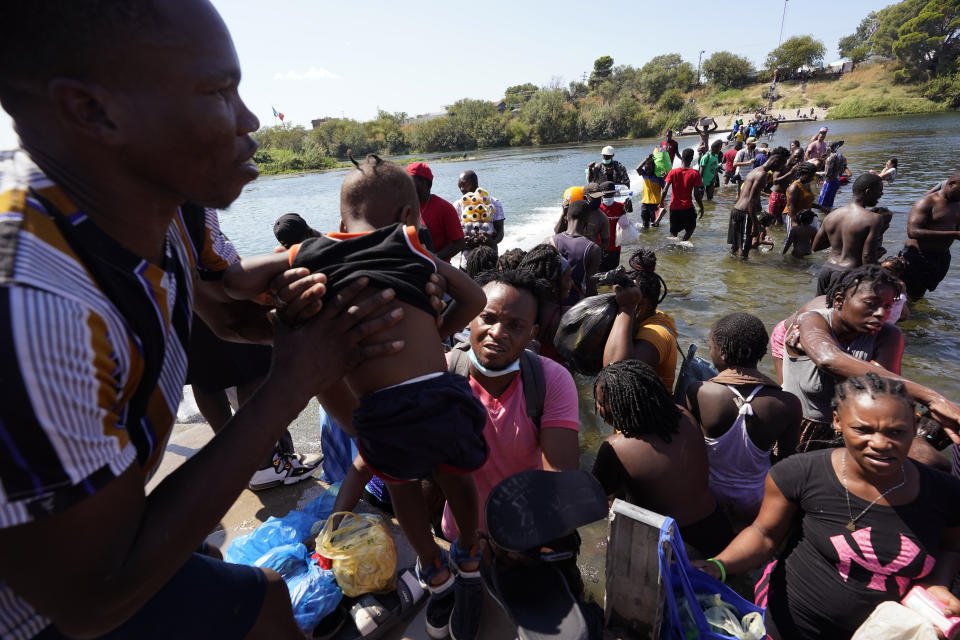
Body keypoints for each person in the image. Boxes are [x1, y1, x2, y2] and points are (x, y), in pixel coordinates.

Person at [0, 2, 433, 638]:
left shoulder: (171, 209)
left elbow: (228, 314)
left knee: (239, 583)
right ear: (91, 111)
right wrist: (290, 381)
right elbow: (91, 601)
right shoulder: (33, 304)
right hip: (38, 607)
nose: (251, 119)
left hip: (101, 537)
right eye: (219, 91)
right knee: (256, 602)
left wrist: (307, 321)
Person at [223, 154, 489, 640]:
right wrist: (437, 329)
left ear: (340, 218)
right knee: (458, 476)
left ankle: (434, 571)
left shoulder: (312, 254)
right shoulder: (410, 243)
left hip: (382, 413)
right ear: (411, 217)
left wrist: (289, 265)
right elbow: (475, 300)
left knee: (403, 488)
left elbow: (236, 279)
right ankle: (468, 554)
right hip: (441, 395)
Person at [698, 373, 960, 640]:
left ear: (913, 429)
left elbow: (951, 546)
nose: (881, 444)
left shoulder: (946, 493)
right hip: (792, 626)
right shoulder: (799, 473)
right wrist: (720, 565)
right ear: (837, 421)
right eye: (863, 429)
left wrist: (937, 584)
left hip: (892, 632)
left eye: (896, 432)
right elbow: (764, 535)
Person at [440, 269, 580, 540]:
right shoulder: (444, 373)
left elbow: (559, 481)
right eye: (488, 319)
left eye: (515, 326)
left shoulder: (551, 380)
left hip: (524, 536)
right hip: (460, 537)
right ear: (471, 320)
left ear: (532, 333)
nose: (497, 333)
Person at [782, 265, 960, 452]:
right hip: (796, 427)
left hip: (852, 431)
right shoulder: (811, 319)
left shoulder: (888, 335)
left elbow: (878, 392)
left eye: (887, 306)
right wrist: (933, 399)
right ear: (839, 300)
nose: (881, 314)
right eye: (871, 303)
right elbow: (828, 359)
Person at [592, 360, 734, 558]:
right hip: (720, 531)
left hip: (675, 548)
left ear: (620, 405)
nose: (598, 408)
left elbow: (596, 496)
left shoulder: (616, 447)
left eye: (600, 402)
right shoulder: (684, 415)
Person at [685, 314, 801, 529]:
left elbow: (688, 449)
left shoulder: (701, 392)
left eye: (710, 345)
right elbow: (786, 462)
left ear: (721, 351)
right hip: (756, 499)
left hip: (708, 495)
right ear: (763, 353)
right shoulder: (788, 403)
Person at [602, 249, 678, 390]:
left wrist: (626, 308)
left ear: (642, 303)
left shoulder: (655, 335)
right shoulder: (650, 316)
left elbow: (615, 379)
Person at [812, 173, 887, 295]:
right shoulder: (874, 219)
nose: (881, 195)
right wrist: (876, 281)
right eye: (879, 191)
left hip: (826, 270)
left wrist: (840, 241)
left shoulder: (833, 215)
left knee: (822, 311)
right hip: (849, 274)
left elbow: (815, 247)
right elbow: (867, 257)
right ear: (868, 191)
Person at [897, 169, 960, 300]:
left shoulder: (958, 204)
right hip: (917, 257)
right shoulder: (927, 202)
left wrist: (955, 233)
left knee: (919, 295)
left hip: (941, 257)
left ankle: (914, 317)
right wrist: (954, 234)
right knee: (903, 295)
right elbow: (913, 232)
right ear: (952, 183)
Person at [727, 146, 789, 259]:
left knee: (735, 246)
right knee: (744, 251)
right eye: (782, 164)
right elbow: (751, 199)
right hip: (746, 213)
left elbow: (746, 194)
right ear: (776, 161)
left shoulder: (756, 170)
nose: (781, 168)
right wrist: (755, 223)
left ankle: (731, 271)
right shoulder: (763, 174)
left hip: (737, 211)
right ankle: (743, 273)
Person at [517, 244, 572, 365]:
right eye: (567, 279)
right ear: (552, 285)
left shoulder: (519, 307)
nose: (571, 284)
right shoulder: (565, 316)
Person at [408, 161, 465, 262]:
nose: (406, 186)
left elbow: (459, 243)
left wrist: (433, 259)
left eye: (410, 182)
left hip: (438, 269)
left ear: (424, 184)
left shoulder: (445, 208)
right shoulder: (405, 207)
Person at [548, 200, 601, 306]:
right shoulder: (593, 249)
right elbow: (591, 286)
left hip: (552, 306)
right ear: (587, 221)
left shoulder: (549, 242)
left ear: (567, 217)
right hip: (577, 308)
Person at [455, 169, 505, 255]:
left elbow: (500, 232)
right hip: (467, 258)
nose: (461, 189)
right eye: (459, 186)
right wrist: (464, 243)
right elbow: (454, 235)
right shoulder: (458, 205)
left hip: (490, 256)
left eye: (464, 184)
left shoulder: (494, 203)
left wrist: (491, 241)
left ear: (475, 183)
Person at [662, 148, 704, 241]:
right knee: (691, 228)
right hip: (687, 207)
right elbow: (696, 194)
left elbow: (664, 190)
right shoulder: (695, 173)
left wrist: (661, 203)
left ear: (682, 158)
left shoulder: (672, 172)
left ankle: (673, 249)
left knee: (673, 232)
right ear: (692, 158)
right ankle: (683, 242)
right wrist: (701, 207)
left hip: (674, 207)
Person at [784, 161, 822, 233]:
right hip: (792, 216)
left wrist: (821, 208)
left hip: (805, 216)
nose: (812, 178)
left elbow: (806, 202)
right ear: (802, 174)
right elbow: (790, 206)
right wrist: (794, 222)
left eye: (813, 175)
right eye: (810, 176)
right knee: (792, 240)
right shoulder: (794, 187)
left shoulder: (807, 184)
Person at [598, 181, 627, 270]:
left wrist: (628, 207)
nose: (608, 197)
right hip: (601, 247)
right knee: (600, 274)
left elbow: (627, 222)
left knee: (613, 273)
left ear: (614, 193)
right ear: (601, 195)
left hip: (615, 247)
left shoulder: (621, 206)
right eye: (605, 195)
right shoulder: (597, 208)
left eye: (610, 195)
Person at [816, 141, 848, 213]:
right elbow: (842, 170)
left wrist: (814, 173)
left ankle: (822, 219)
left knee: (822, 205)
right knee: (830, 203)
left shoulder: (829, 159)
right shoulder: (842, 157)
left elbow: (826, 174)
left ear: (829, 148)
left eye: (827, 147)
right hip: (837, 181)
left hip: (829, 183)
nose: (825, 148)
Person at [637, 155, 665, 228]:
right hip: (645, 204)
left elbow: (664, 189)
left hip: (655, 205)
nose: (647, 171)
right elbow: (638, 168)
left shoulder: (658, 177)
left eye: (649, 169)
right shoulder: (644, 174)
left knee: (655, 226)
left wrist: (662, 202)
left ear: (654, 168)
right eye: (646, 169)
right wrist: (646, 159)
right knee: (645, 225)